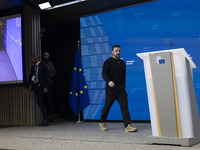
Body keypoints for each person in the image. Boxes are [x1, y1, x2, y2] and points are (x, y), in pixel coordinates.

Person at [99, 44, 137, 132]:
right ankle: (101, 122)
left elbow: (123, 77)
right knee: (107, 106)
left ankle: (128, 126)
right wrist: (109, 81)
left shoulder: (122, 63)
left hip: (121, 88)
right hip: (111, 88)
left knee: (124, 106)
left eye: (119, 51)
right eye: (116, 51)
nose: (118, 52)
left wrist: (124, 87)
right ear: (112, 52)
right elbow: (104, 73)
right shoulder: (108, 61)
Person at [25, 55, 50, 126]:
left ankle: (46, 119)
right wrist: (27, 87)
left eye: (32, 58)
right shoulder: (33, 67)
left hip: (41, 87)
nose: (31, 60)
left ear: (36, 58)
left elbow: (47, 77)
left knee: (41, 102)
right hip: (36, 87)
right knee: (39, 102)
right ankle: (45, 119)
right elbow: (30, 78)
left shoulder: (43, 65)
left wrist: (46, 87)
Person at [42, 51, 57, 121]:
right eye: (45, 56)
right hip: (42, 84)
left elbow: (54, 73)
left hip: (49, 84)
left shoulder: (50, 64)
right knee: (42, 100)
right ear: (43, 56)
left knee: (49, 99)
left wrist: (47, 76)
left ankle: (51, 115)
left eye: (48, 56)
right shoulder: (41, 64)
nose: (46, 57)